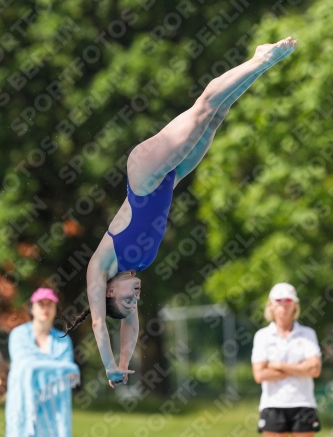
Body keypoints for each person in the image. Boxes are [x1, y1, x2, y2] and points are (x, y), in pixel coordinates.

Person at [63, 37, 297, 388]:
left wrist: (110, 364)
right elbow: (131, 324)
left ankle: (259, 58)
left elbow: (100, 323)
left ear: (109, 293)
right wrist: (127, 362)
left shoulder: (102, 267)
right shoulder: (134, 268)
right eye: (135, 301)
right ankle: (262, 64)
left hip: (143, 174)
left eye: (128, 298)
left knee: (202, 108)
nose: (135, 297)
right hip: (169, 178)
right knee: (216, 116)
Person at [5, 288, 80, 437]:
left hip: (54, 408)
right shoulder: (18, 335)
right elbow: (25, 365)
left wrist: (38, 366)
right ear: (32, 308)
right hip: (22, 406)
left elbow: (68, 372)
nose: (45, 308)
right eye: (41, 304)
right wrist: (60, 368)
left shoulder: (63, 340)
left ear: (54, 309)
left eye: (49, 304)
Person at [252, 283, 322, 436]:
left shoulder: (307, 334)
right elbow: (260, 375)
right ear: (271, 305)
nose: (283, 305)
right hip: (273, 404)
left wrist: (278, 365)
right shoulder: (262, 336)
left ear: (295, 305)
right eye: (279, 300)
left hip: (304, 402)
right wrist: (300, 369)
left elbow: (315, 370)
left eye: (288, 301)